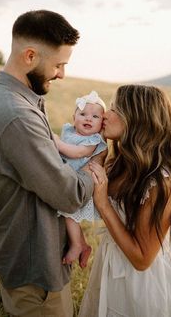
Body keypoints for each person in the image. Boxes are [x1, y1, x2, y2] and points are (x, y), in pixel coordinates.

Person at [0, 9, 102, 317]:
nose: (62, 74)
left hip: (40, 260)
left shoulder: (23, 102)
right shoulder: (17, 114)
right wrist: (95, 165)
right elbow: (67, 193)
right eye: (59, 64)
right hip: (36, 270)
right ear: (30, 55)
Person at [79, 85, 171, 317]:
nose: (105, 114)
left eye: (113, 109)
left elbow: (142, 259)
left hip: (146, 284)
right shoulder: (118, 163)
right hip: (111, 267)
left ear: (135, 119)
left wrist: (103, 204)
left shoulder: (162, 182)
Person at [54, 91, 107, 268]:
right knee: (68, 215)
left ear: (101, 124)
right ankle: (82, 245)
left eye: (95, 116)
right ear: (74, 117)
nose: (88, 119)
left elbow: (77, 153)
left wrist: (57, 144)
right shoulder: (69, 131)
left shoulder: (93, 140)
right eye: (83, 114)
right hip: (67, 177)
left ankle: (77, 245)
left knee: (69, 213)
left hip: (81, 183)